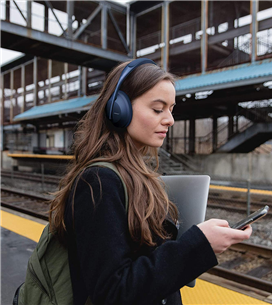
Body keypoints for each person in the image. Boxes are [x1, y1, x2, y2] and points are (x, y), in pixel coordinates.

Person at [49, 59, 252, 305]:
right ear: (119, 109)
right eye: (158, 109)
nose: (170, 120)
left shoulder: (135, 175)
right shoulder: (99, 182)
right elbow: (113, 293)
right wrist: (197, 245)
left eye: (171, 109)